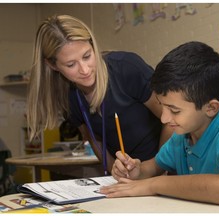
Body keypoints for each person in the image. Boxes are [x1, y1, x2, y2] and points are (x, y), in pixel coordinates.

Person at [100, 41, 219, 206]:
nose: (163, 118)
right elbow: (153, 167)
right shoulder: (181, 138)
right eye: (162, 106)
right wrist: (135, 170)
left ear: (211, 108)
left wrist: (154, 184)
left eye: (174, 110)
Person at [26, 14, 172, 175]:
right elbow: (94, 140)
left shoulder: (127, 68)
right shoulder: (68, 96)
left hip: (164, 165)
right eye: (71, 64)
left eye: (87, 56)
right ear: (53, 65)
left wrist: (156, 167)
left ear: (93, 45)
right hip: (128, 177)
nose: (85, 70)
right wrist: (115, 173)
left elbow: (171, 120)